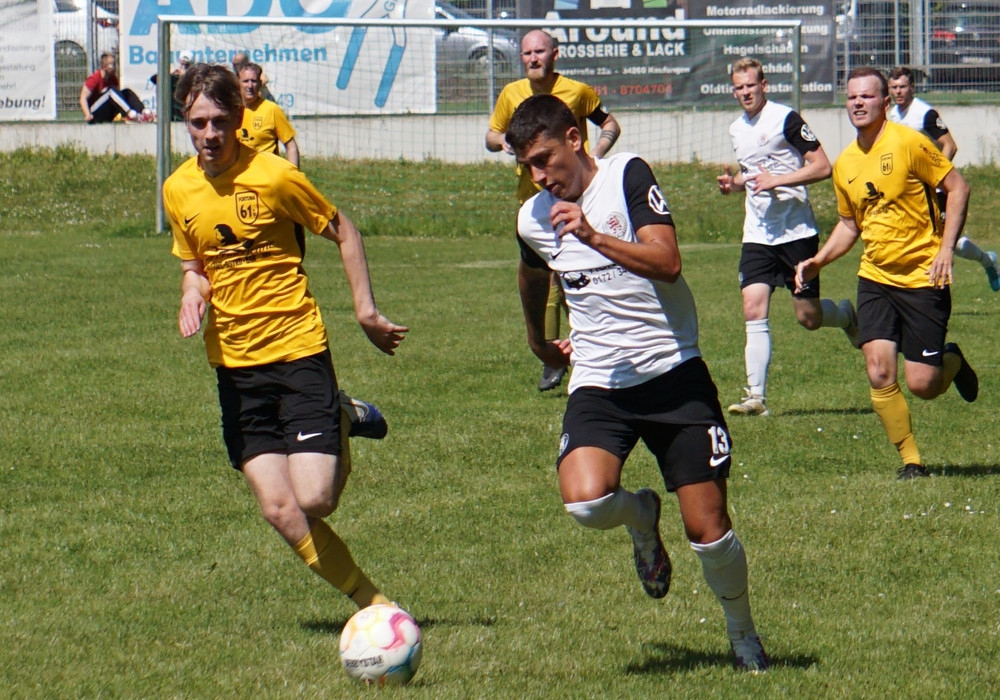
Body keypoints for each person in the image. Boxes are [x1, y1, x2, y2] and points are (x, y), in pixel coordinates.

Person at [508, 93, 768, 672]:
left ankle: (742, 634)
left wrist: (593, 236)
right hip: (600, 380)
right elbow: (530, 272)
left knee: (709, 532)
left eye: (544, 159)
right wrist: (537, 339)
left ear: (574, 139)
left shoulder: (627, 174)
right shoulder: (532, 217)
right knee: (585, 502)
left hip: (674, 373)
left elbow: (667, 261)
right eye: (527, 166)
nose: (539, 176)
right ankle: (642, 516)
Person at [162, 63, 409, 609]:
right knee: (279, 508)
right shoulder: (177, 189)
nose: (210, 134)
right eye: (198, 123)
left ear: (239, 117)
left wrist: (366, 312)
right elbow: (194, 267)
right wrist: (190, 293)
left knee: (315, 498)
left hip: (297, 348)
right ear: (184, 120)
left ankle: (341, 416)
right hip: (234, 365)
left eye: (220, 121)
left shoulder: (274, 175)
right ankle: (376, 607)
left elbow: (344, 231)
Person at [795, 67, 979, 481]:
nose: (858, 103)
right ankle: (911, 461)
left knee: (923, 385)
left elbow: (958, 188)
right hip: (875, 277)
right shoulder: (845, 163)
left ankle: (952, 361)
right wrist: (819, 261)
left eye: (866, 96)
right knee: (878, 370)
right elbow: (850, 224)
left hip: (923, 276)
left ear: (883, 102)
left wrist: (946, 249)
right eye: (851, 97)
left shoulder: (909, 142)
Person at [716, 57, 860, 417]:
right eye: (739, 87)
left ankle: (845, 316)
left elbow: (822, 166)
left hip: (796, 233)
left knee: (808, 318)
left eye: (751, 85)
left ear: (764, 85)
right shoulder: (736, 129)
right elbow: (752, 173)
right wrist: (734, 184)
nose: (745, 92)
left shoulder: (786, 119)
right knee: (753, 306)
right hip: (758, 233)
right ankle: (756, 398)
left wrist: (777, 181)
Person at [487, 29, 621, 393]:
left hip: (574, 198)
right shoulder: (511, 94)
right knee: (547, 278)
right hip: (532, 206)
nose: (533, 58)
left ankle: (571, 352)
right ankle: (554, 353)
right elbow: (491, 135)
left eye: (539, 51)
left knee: (574, 276)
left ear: (554, 54)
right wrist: (506, 142)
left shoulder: (577, 92)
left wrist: (596, 156)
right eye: (526, 53)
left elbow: (609, 123)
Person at [887, 66, 1000, 292]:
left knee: (950, 241)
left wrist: (933, 176)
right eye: (894, 87)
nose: (898, 92)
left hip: (934, 189)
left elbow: (950, 145)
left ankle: (988, 262)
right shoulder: (892, 115)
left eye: (902, 87)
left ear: (912, 88)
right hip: (909, 189)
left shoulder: (924, 114)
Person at [237, 63, 299, 168]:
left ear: (260, 83)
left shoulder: (272, 109)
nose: (250, 86)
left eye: (254, 81)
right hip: (240, 174)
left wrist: (294, 173)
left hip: (267, 173)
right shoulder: (232, 111)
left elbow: (291, 145)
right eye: (246, 81)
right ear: (239, 83)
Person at [80, 52, 147, 123]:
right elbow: (83, 98)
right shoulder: (94, 79)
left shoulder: (113, 79)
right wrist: (87, 114)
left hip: (108, 112)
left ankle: (143, 113)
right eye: (111, 65)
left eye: (114, 64)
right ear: (104, 66)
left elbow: (117, 99)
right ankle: (130, 115)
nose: (114, 67)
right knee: (111, 91)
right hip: (95, 113)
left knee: (126, 92)